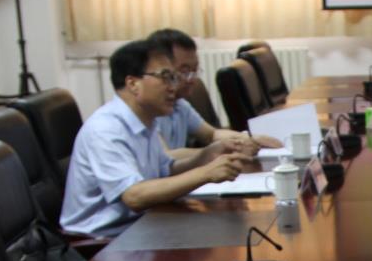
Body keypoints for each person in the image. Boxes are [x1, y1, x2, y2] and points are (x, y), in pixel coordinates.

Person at [59, 39, 255, 239]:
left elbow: (165, 170)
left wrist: (206, 155)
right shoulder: (106, 130)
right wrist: (206, 173)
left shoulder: (146, 120)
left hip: (141, 225)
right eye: (166, 77)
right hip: (102, 242)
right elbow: (134, 196)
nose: (173, 87)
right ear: (133, 84)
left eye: (174, 78)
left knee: (236, 226)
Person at [146, 28, 282, 153]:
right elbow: (166, 157)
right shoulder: (149, 109)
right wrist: (219, 149)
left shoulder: (180, 104)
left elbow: (211, 134)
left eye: (194, 71)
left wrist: (251, 139)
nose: (191, 79)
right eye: (185, 71)